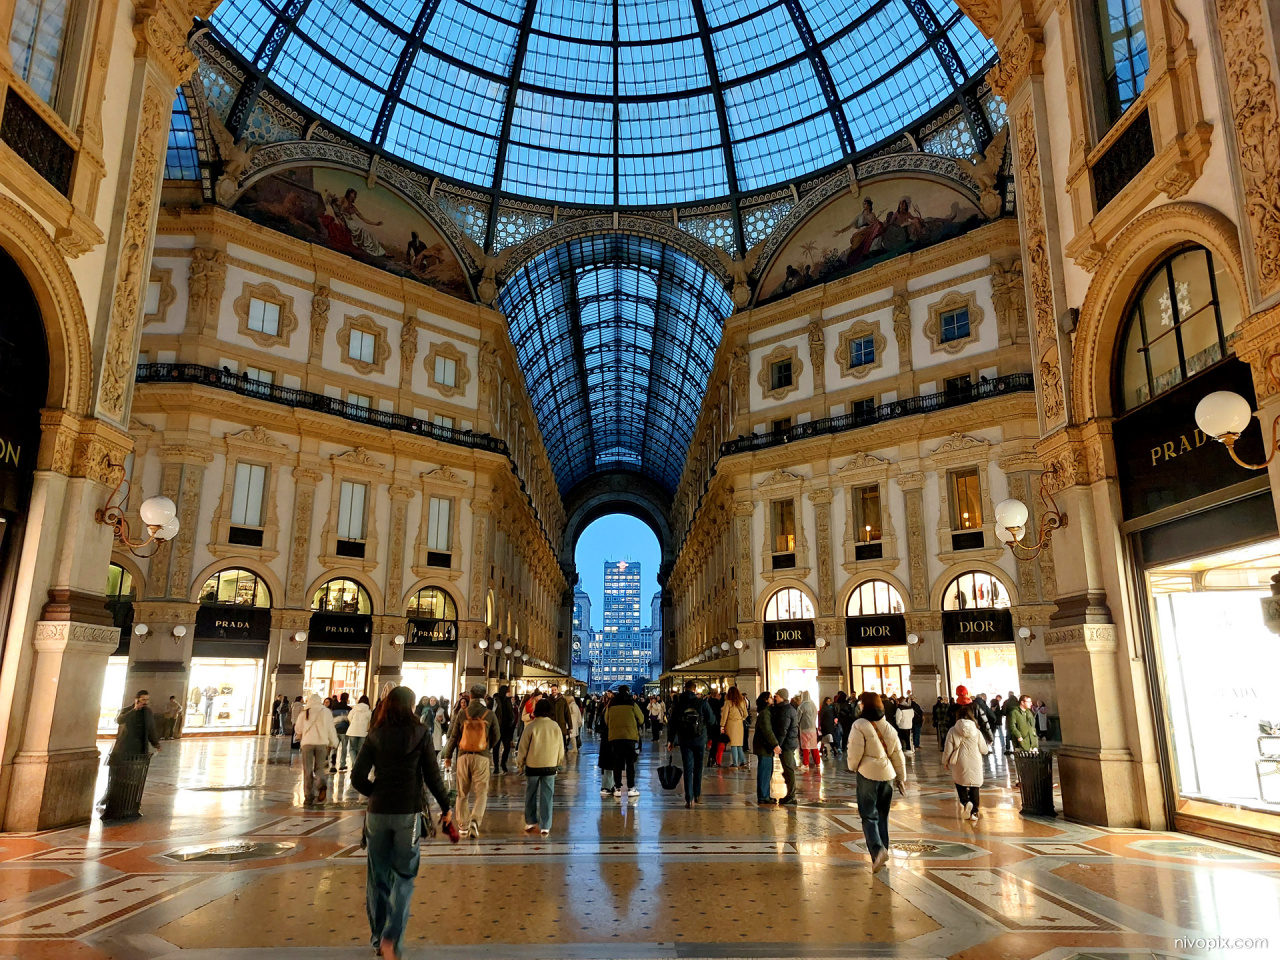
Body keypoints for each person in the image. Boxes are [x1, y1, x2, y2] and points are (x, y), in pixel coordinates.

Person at [351, 685, 454, 960]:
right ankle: (391, 938)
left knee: (377, 878)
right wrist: (446, 807)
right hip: (407, 813)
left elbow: (357, 777)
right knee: (404, 877)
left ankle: (377, 938)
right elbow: (432, 776)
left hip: (378, 813)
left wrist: (376, 793)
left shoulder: (375, 734)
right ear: (411, 705)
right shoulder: (420, 733)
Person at [845, 692, 906, 872]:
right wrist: (901, 777)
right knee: (883, 815)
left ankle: (878, 851)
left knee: (869, 815)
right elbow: (897, 754)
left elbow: (855, 751)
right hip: (888, 775)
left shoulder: (859, 725)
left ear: (866, 705)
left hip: (868, 774)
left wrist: (853, 766)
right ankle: (883, 852)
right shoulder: (888, 727)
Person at [442, 683, 499, 837]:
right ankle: (475, 820)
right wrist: (487, 746)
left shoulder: (462, 713)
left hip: (463, 755)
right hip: (482, 756)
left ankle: (462, 825)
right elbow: (496, 736)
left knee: (462, 793)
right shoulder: (490, 714)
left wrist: (448, 757)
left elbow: (453, 736)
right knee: (481, 792)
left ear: (471, 697)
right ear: (484, 697)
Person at [518, 697, 566, 835]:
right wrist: (558, 762)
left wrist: (520, 763)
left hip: (533, 765)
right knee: (547, 795)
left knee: (531, 794)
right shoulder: (555, 726)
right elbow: (560, 748)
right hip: (550, 766)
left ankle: (530, 821)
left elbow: (523, 747)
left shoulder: (532, 726)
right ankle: (546, 824)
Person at [668, 680, 718, 807]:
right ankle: (697, 794)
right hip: (700, 739)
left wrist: (671, 740)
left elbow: (672, 723)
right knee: (698, 767)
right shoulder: (701, 703)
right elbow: (712, 720)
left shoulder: (679, 704)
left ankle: (688, 798)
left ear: (684, 689)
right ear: (695, 690)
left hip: (684, 740)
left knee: (688, 768)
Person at [942, 704, 989, 821]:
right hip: (975, 760)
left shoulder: (953, 730)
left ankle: (966, 802)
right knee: (974, 785)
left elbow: (948, 749)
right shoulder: (977, 731)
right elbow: (984, 749)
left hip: (959, 760)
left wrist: (945, 761)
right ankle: (974, 812)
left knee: (959, 782)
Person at [296, 693, 339, 805]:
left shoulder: (305, 712)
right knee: (319, 768)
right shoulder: (326, 712)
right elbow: (330, 729)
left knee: (307, 769)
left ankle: (308, 796)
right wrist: (334, 742)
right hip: (321, 744)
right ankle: (321, 785)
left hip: (307, 744)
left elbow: (298, 728)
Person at [606, 685, 646, 798]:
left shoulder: (611, 704)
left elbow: (606, 719)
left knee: (617, 763)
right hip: (630, 737)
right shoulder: (632, 704)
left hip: (615, 737)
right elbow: (641, 719)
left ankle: (617, 787)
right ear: (628, 692)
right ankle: (631, 787)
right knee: (630, 763)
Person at [770, 688, 799, 804]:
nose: (774, 698)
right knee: (787, 769)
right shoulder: (787, 709)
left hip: (787, 744)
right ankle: (790, 794)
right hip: (789, 743)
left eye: (776, 696)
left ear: (782, 697)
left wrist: (778, 745)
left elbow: (783, 729)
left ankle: (791, 795)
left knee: (788, 769)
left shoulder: (785, 711)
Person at [752, 691, 780, 804]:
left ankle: (765, 795)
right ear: (765, 700)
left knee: (766, 771)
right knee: (765, 772)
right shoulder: (765, 714)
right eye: (770, 698)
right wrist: (775, 744)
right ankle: (763, 796)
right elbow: (767, 730)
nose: (772, 699)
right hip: (764, 746)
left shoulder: (766, 712)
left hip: (764, 746)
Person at [720, 686, 749, 768]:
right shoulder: (742, 702)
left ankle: (735, 762)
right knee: (738, 744)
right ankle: (743, 760)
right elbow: (746, 714)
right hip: (739, 724)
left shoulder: (728, 702)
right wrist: (740, 719)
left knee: (733, 744)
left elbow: (724, 715)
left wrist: (722, 725)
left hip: (731, 724)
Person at [596, 690, 616, 796]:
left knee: (607, 763)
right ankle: (610, 785)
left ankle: (607, 785)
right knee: (610, 762)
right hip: (612, 737)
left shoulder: (606, 709)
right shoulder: (609, 709)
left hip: (607, 737)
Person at [494, 684, 517, 772]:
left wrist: (512, 721)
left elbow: (510, 711)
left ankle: (503, 763)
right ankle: (496, 766)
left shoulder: (508, 700)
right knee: (496, 747)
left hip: (506, 727)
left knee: (507, 747)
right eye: (508, 691)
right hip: (498, 726)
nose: (510, 692)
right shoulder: (496, 700)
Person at [344, 695, 372, 765]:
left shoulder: (354, 709)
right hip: (363, 732)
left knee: (352, 749)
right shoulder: (368, 711)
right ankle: (358, 765)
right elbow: (370, 721)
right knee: (361, 750)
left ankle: (354, 763)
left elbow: (349, 717)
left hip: (353, 731)